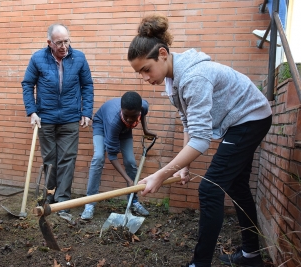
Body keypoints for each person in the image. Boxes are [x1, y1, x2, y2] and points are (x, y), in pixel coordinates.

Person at [127, 14, 272, 267]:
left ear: (162, 54)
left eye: (146, 69)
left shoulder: (194, 77)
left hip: (251, 118)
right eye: (140, 73)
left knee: (210, 189)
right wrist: (184, 165)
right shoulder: (173, 81)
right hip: (239, 121)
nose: (145, 78)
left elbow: (201, 140)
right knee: (237, 187)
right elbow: (189, 125)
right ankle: (251, 255)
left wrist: (161, 174)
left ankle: (200, 263)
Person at [21, 23, 94, 214]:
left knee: (67, 159)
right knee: (50, 159)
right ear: (49, 43)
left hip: (70, 118)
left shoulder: (79, 58)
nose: (64, 46)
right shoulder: (38, 58)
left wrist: (86, 111)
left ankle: (62, 202)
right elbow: (27, 84)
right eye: (59, 42)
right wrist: (32, 111)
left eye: (67, 41)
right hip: (45, 118)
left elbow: (87, 85)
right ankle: (50, 195)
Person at [80, 91, 157, 220]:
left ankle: (133, 201)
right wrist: (128, 179)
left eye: (133, 116)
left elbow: (142, 114)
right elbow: (112, 156)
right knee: (99, 157)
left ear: (139, 111)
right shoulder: (113, 121)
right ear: (122, 110)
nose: (130, 119)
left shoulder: (143, 106)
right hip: (102, 124)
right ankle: (89, 203)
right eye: (126, 115)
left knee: (131, 162)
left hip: (124, 129)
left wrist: (146, 130)